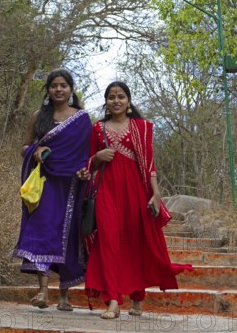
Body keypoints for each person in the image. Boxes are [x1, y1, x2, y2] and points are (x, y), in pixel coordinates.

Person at [82, 81, 193, 319]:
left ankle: (137, 298)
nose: (116, 101)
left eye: (121, 96)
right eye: (111, 97)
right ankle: (112, 300)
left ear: (129, 101)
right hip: (106, 191)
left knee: (135, 242)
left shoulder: (142, 128)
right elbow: (87, 165)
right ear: (106, 102)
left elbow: (150, 165)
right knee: (109, 242)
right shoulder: (97, 129)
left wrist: (155, 194)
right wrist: (98, 157)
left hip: (136, 191)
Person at [13, 68, 92, 311]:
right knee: (43, 230)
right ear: (47, 90)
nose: (59, 89)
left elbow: (87, 154)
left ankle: (65, 295)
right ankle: (43, 291)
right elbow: (24, 146)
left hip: (71, 185)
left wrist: (85, 171)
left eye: (63, 85)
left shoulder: (81, 119)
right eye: (54, 85)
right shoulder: (39, 116)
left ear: (71, 89)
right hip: (44, 184)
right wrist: (34, 151)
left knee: (68, 235)